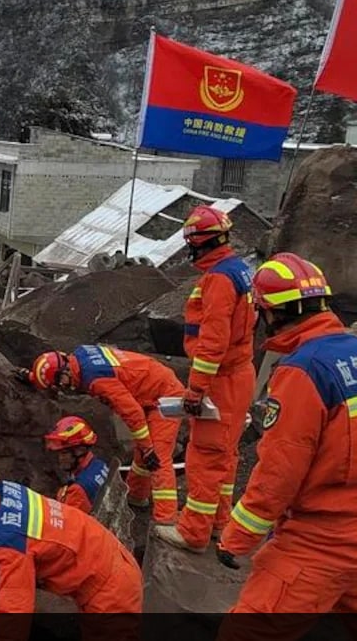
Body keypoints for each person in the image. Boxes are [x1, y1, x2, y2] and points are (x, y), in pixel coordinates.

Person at [214, 254, 357, 630]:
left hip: (323, 540)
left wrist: (237, 538)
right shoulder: (351, 351)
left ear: (271, 314)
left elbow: (280, 470)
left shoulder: (304, 370)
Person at [0, 469, 142, 641]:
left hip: (110, 591)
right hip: (108, 562)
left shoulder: (7, 544)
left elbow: (14, 616)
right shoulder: (5, 491)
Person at [155, 206, 256, 553]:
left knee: (204, 456)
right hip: (239, 375)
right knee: (226, 457)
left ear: (199, 243)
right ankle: (218, 524)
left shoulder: (218, 280)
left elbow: (213, 341)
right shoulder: (239, 271)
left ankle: (194, 532)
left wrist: (196, 389)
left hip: (222, 379)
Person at [20, 346, 177, 524]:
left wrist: (148, 447)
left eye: (61, 383)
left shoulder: (97, 380)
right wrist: (33, 378)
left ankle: (166, 520)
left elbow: (133, 413)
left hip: (164, 395)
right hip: (151, 382)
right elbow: (55, 372)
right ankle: (135, 496)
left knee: (157, 456)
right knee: (143, 452)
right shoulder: (78, 358)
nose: (62, 389)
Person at [44, 416, 110, 515]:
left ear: (80, 451)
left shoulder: (77, 490)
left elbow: (67, 525)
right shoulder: (99, 465)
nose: (60, 458)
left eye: (64, 453)